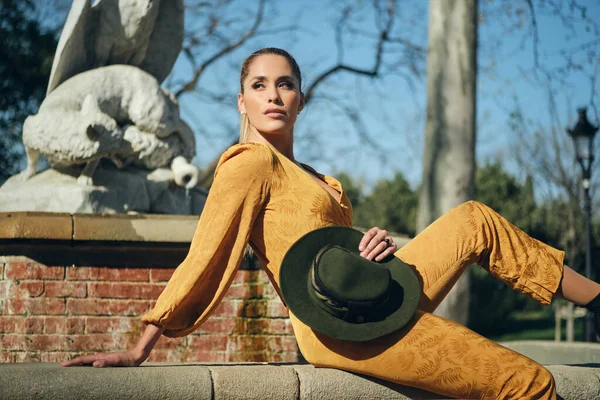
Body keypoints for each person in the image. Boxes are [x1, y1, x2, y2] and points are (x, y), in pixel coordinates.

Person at [62, 47, 600, 399]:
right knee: (528, 381)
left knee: (474, 220)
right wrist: (142, 345)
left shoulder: (319, 178)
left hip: (374, 295)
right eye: (260, 85)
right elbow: (205, 255)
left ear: (301, 98)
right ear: (242, 102)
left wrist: (372, 247)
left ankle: (595, 298)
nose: (274, 94)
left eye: (286, 83)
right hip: (333, 328)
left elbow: (334, 257)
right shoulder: (248, 165)